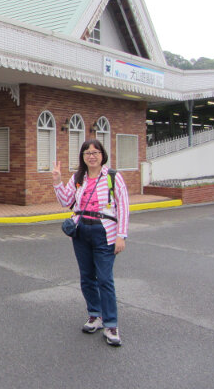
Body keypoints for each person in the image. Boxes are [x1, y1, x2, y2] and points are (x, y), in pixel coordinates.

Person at [52, 139, 129, 346]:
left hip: (105, 232)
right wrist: (58, 181)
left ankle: (111, 324)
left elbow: (123, 207)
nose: (91, 156)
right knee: (87, 277)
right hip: (81, 231)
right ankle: (95, 314)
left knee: (104, 278)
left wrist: (121, 236)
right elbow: (66, 202)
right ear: (82, 157)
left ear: (102, 155)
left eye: (95, 152)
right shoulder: (78, 178)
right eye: (87, 153)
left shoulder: (113, 177)